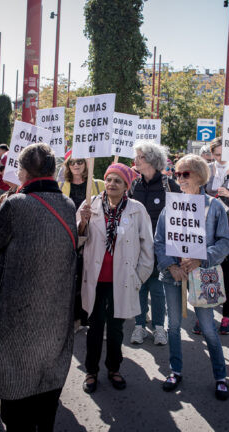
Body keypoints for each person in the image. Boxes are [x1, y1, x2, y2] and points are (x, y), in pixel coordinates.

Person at [0, 143, 77, 432]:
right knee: (46, 399)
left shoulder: (16, 204)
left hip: (18, 315)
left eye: (18, 167)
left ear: (23, 172)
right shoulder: (68, 205)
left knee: (17, 401)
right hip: (56, 314)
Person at [154, 154, 229, 399]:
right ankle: (175, 371)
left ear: (199, 175)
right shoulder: (170, 206)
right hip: (173, 276)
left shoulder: (215, 206)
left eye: (184, 174)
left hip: (202, 275)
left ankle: (220, 376)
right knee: (174, 326)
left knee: (208, 328)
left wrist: (202, 258)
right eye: (176, 174)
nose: (179, 178)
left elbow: (226, 242)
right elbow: (159, 241)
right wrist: (171, 266)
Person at [78, 163, 154, 394]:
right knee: (94, 327)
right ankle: (91, 371)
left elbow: (147, 246)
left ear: (126, 186)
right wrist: (83, 221)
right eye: (109, 179)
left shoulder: (136, 209)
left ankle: (114, 368)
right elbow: (77, 239)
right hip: (96, 279)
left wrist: (138, 278)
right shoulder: (90, 204)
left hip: (122, 280)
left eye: (117, 181)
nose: (111, 184)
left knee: (116, 328)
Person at [129, 140, 181, 346]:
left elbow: (179, 216)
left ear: (151, 160)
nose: (136, 160)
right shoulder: (135, 184)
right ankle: (139, 326)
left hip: (161, 247)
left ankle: (160, 328)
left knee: (158, 289)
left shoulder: (169, 185)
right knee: (139, 287)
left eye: (140, 157)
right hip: (138, 245)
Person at [60, 154, 105, 328]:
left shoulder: (98, 185)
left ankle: (90, 317)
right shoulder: (61, 186)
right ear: (67, 166)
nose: (76, 165)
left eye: (80, 162)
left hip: (94, 237)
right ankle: (75, 319)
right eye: (72, 162)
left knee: (91, 277)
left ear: (87, 165)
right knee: (74, 278)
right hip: (70, 238)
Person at [203, 137, 229, 335]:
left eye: (224, 155)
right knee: (207, 270)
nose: (220, 158)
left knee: (228, 273)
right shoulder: (207, 168)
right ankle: (204, 316)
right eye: (217, 155)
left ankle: (227, 318)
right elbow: (198, 190)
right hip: (208, 229)